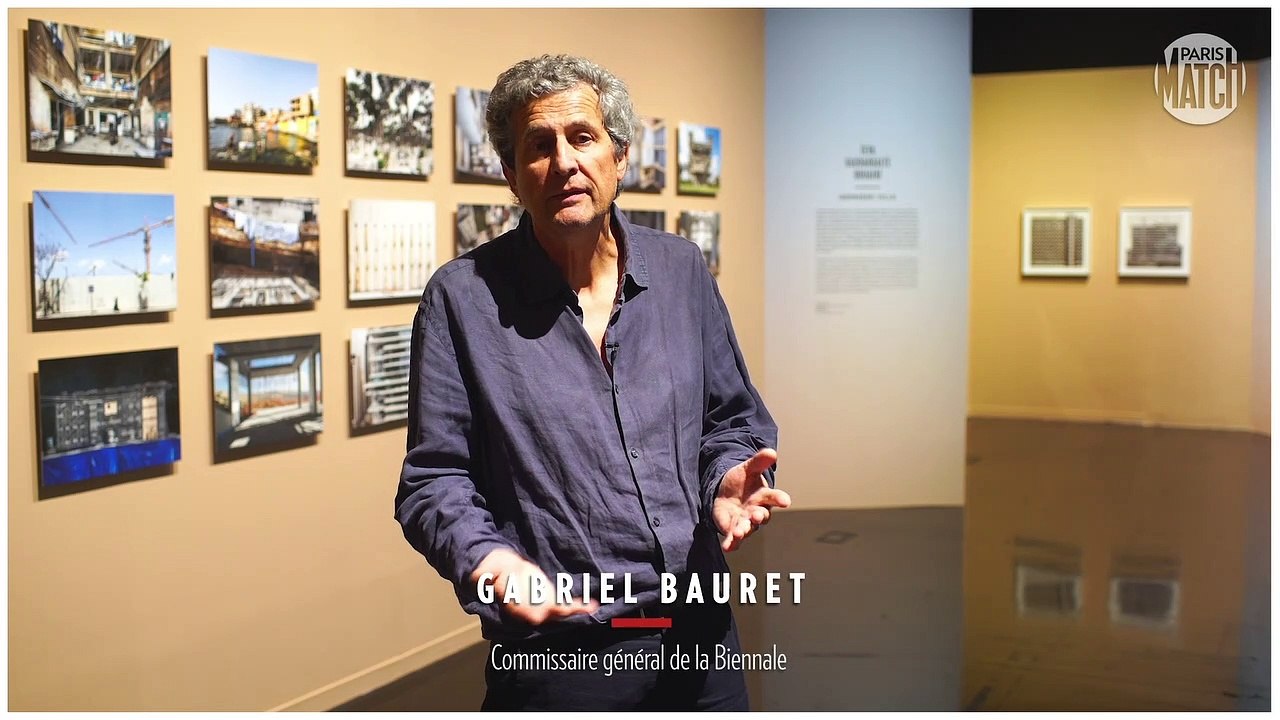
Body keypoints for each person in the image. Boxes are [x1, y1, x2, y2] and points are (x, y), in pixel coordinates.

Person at [395, 54, 789, 711]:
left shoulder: (681, 270)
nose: (565, 162)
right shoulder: (460, 301)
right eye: (538, 146)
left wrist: (727, 479)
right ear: (511, 175)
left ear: (619, 157)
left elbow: (731, 421)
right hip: (561, 657)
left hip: (701, 638)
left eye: (583, 137)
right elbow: (433, 480)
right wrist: (491, 567)